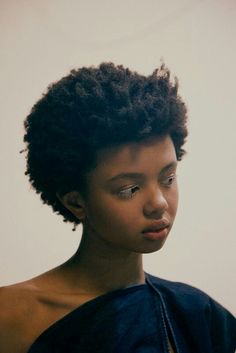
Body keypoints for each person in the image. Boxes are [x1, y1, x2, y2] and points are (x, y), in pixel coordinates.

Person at [0, 63, 235, 353]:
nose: (159, 203)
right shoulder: (11, 317)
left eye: (168, 178)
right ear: (75, 201)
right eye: (129, 189)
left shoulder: (196, 315)